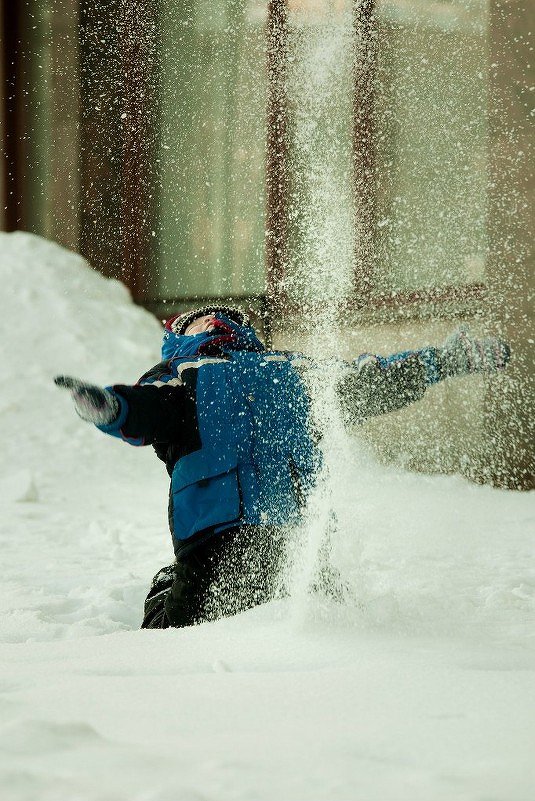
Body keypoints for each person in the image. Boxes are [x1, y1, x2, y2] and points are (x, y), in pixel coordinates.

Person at [55, 306, 510, 628]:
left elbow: (371, 380)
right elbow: (144, 410)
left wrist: (443, 362)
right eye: (199, 317)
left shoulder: (290, 371)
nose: (214, 318)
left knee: (336, 630)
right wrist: (110, 407)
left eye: (225, 316)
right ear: (183, 335)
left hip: (294, 545)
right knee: (172, 639)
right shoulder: (183, 377)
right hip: (219, 545)